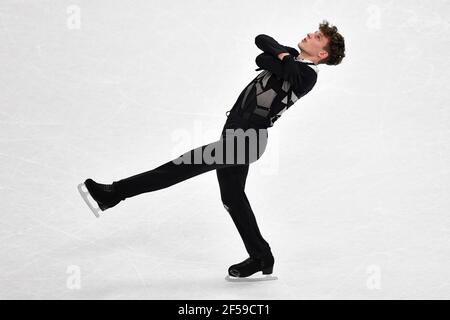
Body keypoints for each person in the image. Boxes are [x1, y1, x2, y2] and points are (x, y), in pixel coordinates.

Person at [78, 20, 346, 280]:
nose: (310, 34)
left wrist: (283, 59)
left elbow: (280, 68)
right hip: (234, 131)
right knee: (233, 198)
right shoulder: (290, 59)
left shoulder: (308, 75)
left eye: (317, 37)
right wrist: (283, 56)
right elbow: (261, 46)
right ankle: (261, 257)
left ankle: (114, 193)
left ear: (322, 54)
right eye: (314, 32)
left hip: (248, 140)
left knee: (179, 167)